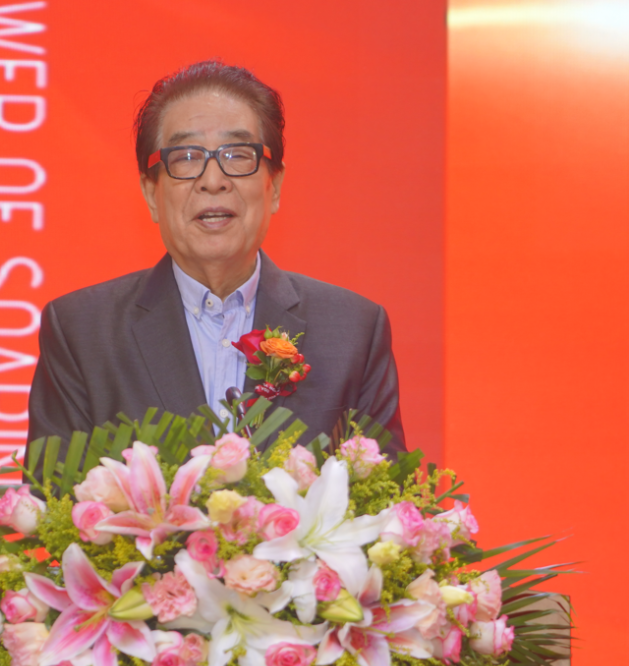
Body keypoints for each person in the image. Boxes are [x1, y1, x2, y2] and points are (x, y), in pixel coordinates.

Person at [27, 60, 405, 457]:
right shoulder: (83, 334)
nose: (212, 180)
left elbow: (385, 489)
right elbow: (54, 491)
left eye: (238, 154)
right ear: (151, 193)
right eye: (186, 157)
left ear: (274, 186)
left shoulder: (353, 332)